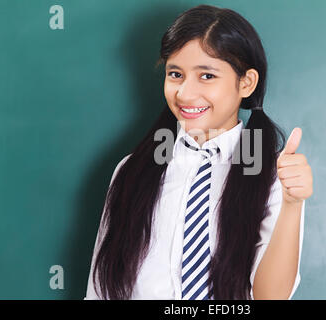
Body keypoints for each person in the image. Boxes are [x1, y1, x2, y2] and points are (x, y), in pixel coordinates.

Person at [84, 4, 313, 300]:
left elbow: (270, 297)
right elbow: (101, 288)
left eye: (207, 76)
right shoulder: (131, 171)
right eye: (175, 74)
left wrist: (292, 204)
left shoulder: (272, 175)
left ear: (246, 82)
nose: (185, 93)